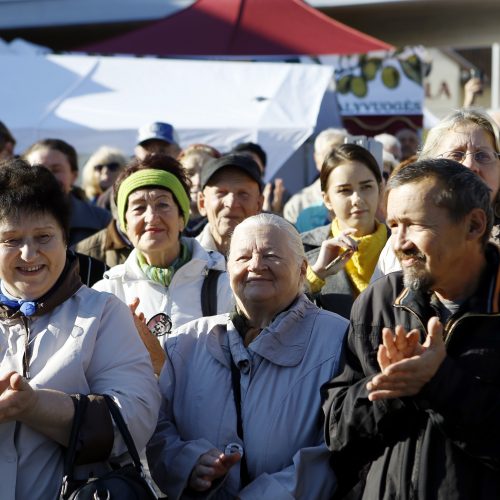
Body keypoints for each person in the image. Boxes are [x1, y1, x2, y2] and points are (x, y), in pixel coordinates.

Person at [322, 159, 500, 499]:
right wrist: (390, 391)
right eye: (393, 225)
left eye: (414, 226)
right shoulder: (381, 300)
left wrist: (440, 381)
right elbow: (338, 435)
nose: (398, 243)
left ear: (474, 225)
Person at [147, 213, 348, 499]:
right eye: (242, 258)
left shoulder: (338, 339)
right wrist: (189, 463)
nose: (256, 265)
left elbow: (338, 446)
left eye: (271, 255)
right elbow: (158, 429)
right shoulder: (186, 343)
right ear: (228, 269)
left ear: (303, 269)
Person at [0, 158, 160, 499]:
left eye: (44, 237)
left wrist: (35, 406)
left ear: (65, 239)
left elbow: (136, 419)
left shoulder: (102, 313)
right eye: (11, 240)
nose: (29, 254)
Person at [93, 153, 233, 374]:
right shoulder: (108, 293)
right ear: (124, 224)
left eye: (163, 204)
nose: (151, 217)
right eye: (138, 207)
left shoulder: (223, 284)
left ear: (181, 218)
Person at [372, 108, 500, 280]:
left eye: (482, 155)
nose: (470, 166)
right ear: (429, 168)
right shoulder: (403, 241)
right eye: (457, 154)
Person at [302, 143, 388, 318]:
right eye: (344, 190)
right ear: (326, 199)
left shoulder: (402, 245)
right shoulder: (301, 248)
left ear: (380, 189)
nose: (357, 199)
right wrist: (315, 275)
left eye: (366, 187)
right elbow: (279, 316)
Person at [23, 138, 112, 246]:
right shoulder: (7, 219)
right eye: (38, 170)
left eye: (56, 170)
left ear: (73, 176)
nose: (47, 176)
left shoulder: (101, 220)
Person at [196, 153, 264, 256]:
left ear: (259, 204)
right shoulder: (182, 259)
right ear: (202, 203)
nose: (231, 203)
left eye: (243, 194)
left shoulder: (277, 260)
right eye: (221, 193)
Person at [284, 127, 348, 224]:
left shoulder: (362, 198)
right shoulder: (298, 204)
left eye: (343, 155)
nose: (336, 162)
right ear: (316, 158)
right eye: (329, 156)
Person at [231, 141, 287, 216]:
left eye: (250, 159)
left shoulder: (278, 195)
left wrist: (275, 214)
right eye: (240, 158)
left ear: (263, 167)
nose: (244, 163)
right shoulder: (225, 191)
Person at [177, 143, 221, 237]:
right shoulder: (167, 221)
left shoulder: (227, 222)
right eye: (189, 173)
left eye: (206, 172)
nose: (197, 181)